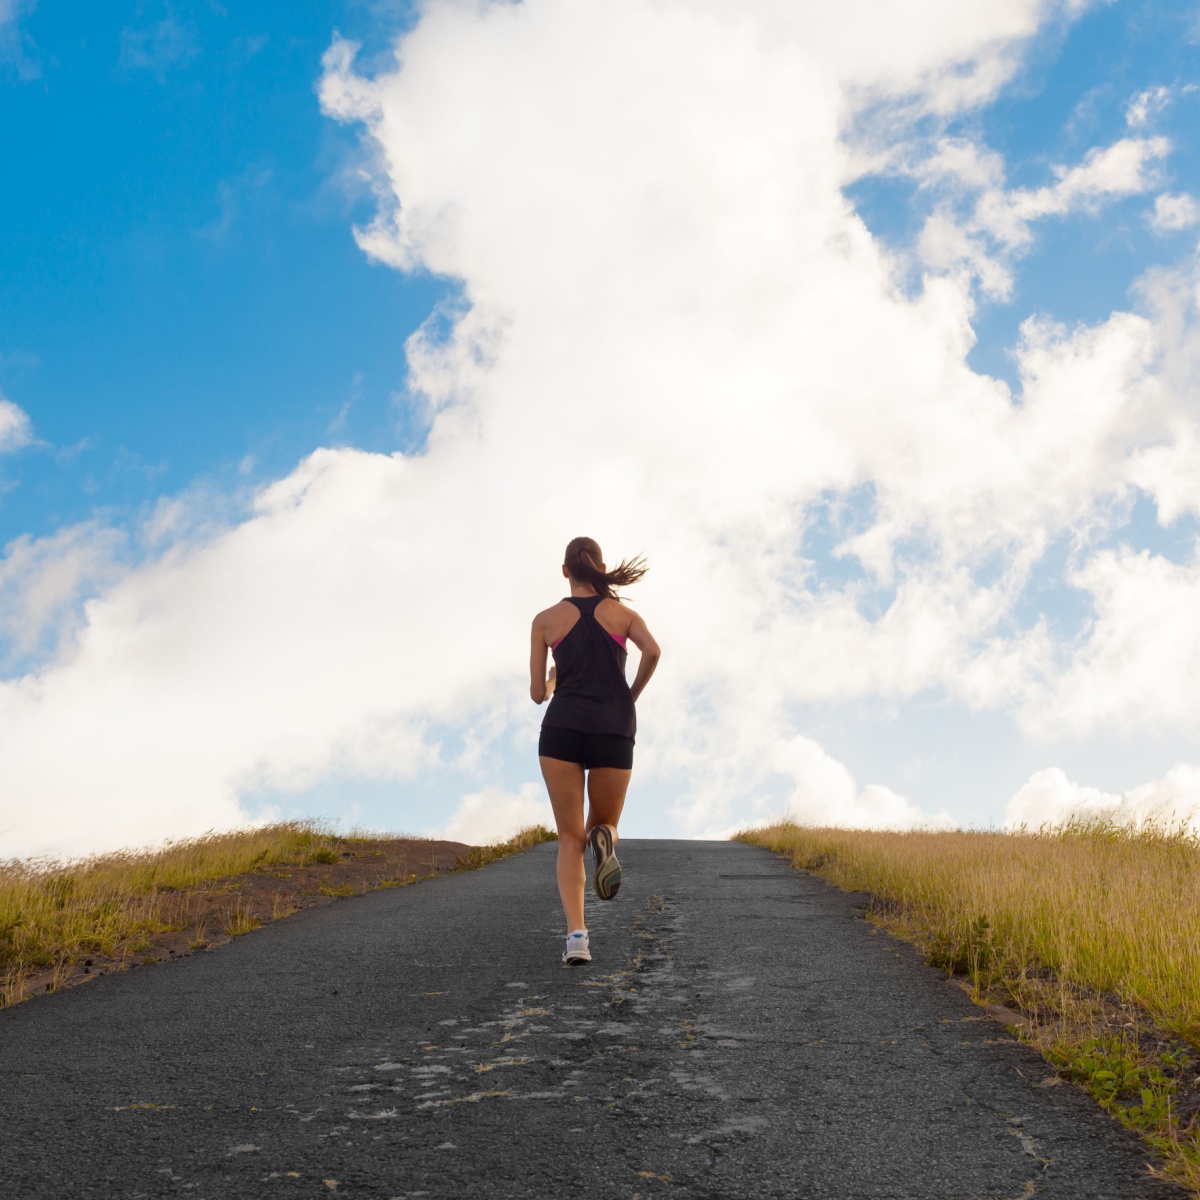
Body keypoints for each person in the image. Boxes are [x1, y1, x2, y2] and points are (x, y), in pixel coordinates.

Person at [530, 536, 661, 965]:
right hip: (614, 726)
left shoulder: (545, 621)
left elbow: (537, 694)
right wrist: (630, 694)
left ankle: (577, 939)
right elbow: (653, 651)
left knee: (569, 839)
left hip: (562, 727)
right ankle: (604, 837)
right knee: (602, 824)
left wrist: (552, 681)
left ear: (565, 571)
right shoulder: (622, 615)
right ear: (599, 567)